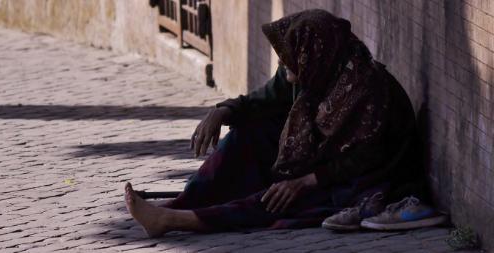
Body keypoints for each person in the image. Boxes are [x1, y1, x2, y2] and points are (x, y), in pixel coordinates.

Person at [123, 9, 442, 237]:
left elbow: (364, 159)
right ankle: (185, 202)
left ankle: (177, 219)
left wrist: (304, 181)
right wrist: (222, 111)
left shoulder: (368, 90)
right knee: (248, 133)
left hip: (366, 179)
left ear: (313, 53)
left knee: (282, 198)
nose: (284, 66)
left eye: (289, 58)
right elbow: (263, 100)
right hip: (325, 160)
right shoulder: (315, 69)